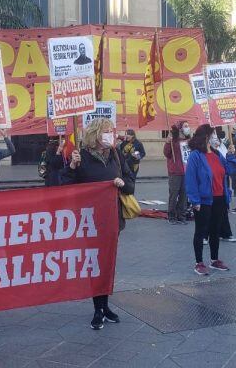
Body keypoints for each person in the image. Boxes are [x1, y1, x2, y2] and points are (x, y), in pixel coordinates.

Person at [61, 118, 134, 330]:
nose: (110, 134)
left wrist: (122, 184)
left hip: (113, 220)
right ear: (95, 134)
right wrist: (72, 167)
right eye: (106, 131)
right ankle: (97, 308)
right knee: (95, 264)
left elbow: (130, 185)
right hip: (90, 221)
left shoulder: (117, 155)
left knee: (108, 263)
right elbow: (64, 185)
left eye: (111, 131)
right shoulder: (81, 157)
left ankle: (106, 305)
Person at [185, 124, 236, 276]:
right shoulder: (196, 156)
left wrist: (231, 155)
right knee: (201, 231)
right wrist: (195, 201)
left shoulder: (216, 153)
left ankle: (214, 260)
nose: (216, 137)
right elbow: (191, 179)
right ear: (206, 136)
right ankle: (199, 262)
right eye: (213, 134)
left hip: (220, 197)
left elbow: (229, 170)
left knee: (215, 230)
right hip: (204, 199)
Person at [164, 121, 191, 225]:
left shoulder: (188, 140)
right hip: (175, 172)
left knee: (184, 195)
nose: (187, 128)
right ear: (180, 129)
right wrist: (167, 142)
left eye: (188, 126)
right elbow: (166, 153)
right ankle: (171, 216)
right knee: (174, 194)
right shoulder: (173, 141)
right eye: (185, 126)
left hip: (186, 172)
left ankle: (182, 215)